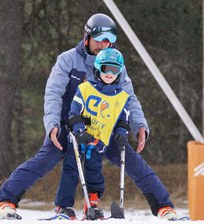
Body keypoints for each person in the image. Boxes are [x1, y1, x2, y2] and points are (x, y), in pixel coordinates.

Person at [0, 13, 149, 220]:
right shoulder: (68, 60)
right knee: (45, 159)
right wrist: (53, 124)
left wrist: (139, 125)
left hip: (102, 128)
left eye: (108, 41)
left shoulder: (116, 64)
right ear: (86, 37)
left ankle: (163, 208)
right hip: (68, 125)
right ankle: (5, 202)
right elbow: (53, 93)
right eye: (99, 40)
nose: (103, 46)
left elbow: (129, 98)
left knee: (132, 161)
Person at [66, 48, 177, 221]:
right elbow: (74, 114)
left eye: (115, 70)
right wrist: (80, 132)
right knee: (90, 170)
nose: (110, 74)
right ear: (97, 69)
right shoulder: (85, 89)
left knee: (139, 167)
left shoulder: (122, 95)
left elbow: (123, 119)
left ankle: (164, 207)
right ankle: (87, 205)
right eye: (106, 69)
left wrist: (122, 133)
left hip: (109, 138)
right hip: (89, 138)